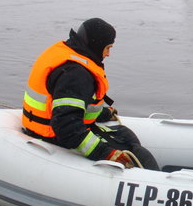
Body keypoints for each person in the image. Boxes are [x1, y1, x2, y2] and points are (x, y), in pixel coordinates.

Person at [22, 18, 158, 170]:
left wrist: (101, 114)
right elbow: (66, 127)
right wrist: (106, 153)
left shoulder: (68, 53)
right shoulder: (76, 75)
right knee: (138, 155)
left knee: (126, 136)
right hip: (52, 136)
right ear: (96, 45)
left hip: (47, 126)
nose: (108, 54)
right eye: (108, 48)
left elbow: (71, 105)